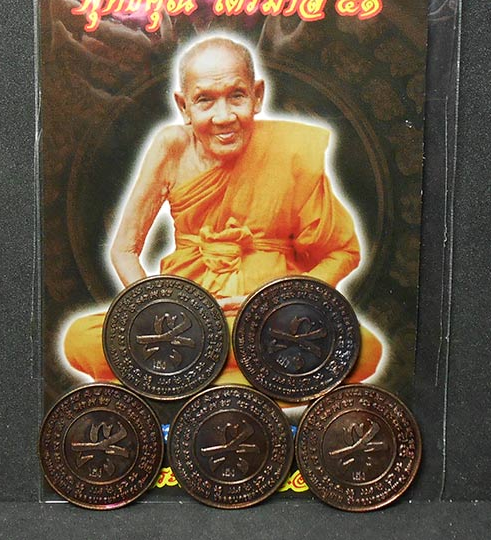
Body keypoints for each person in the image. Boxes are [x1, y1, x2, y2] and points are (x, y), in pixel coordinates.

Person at [64, 36, 382, 385]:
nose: (224, 116)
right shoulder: (172, 147)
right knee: (81, 339)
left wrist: (284, 300)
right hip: (188, 323)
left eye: (237, 96)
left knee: (364, 349)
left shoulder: (292, 151)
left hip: (273, 322)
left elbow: (342, 251)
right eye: (205, 100)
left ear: (257, 96)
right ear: (184, 106)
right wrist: (160, 311)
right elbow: (124, 249)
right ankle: (252, 380)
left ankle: (187, 381)